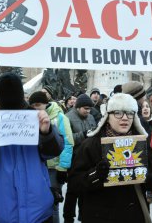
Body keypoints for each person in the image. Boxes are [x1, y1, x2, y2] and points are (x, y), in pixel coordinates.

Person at [0, 72, 64, 223]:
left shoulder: (36, 118)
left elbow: (54, 151)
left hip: (37, 210)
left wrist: (47, 131)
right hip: (2, 210)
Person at [68, 93, 150, 222]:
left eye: (129, 113)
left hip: (133, 214)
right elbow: (74, 183)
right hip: (100, 215)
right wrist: (95, 174)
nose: (125, 118)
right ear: (107, 116)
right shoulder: (90, 144)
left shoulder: (142, 143)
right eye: (118, 113)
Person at [29, 91, 74, 223]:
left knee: (53, 202)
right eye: (32, 105)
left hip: (54, 168)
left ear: (46, 104)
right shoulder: (30, 118)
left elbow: (68, 142)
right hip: (38, 167)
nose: (35, 108)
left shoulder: (60, 117)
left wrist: (63, 167)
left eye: (38, 104)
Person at [64, 93, 97, 223]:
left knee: (86, 188)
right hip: (74, 158)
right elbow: (67, 138)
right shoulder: (68, 117)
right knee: (72, 190)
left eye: (89, 109)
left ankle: (83, 215)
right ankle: (68, 217)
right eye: (85, 108)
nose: (88, 111)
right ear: (78, 107)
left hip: (88, 158)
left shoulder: (91, 118)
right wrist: (83, 134)